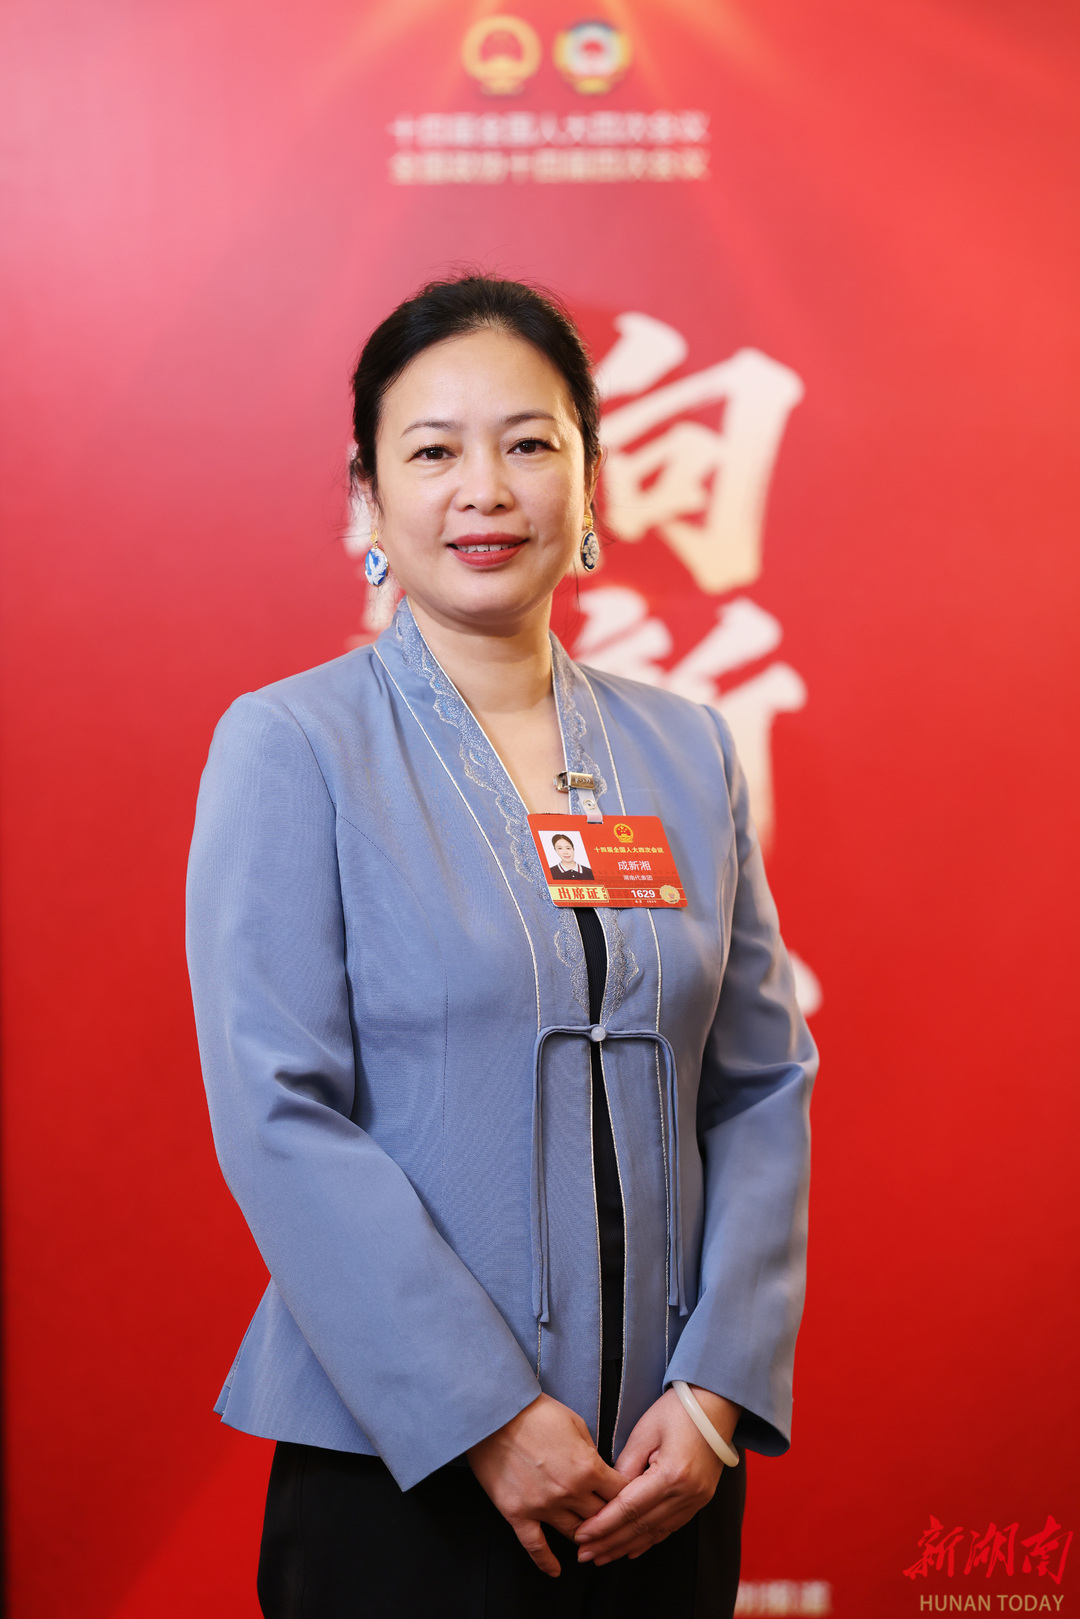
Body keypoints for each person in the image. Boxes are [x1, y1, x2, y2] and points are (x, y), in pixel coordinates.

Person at [186, 275, 817, 1619]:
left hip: (661, 1473)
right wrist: (483, 1413)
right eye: (433, 452)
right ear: (367, 499)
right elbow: (278, 1110)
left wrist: (716, 1392)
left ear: (590, 482)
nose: (485, 489)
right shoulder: (294, 746)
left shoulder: (685, 749)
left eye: (530, 443)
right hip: (404, 1468)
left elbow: (761, 1083)